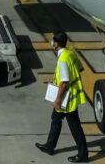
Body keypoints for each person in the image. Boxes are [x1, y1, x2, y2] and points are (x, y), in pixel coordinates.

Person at [36, 31, 89, 163]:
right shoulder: (71, 53)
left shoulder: (62, 60)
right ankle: (50, 146)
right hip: (70, 95)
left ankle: (83, 154)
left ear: (56, 44)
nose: (52, 43)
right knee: (55, 119)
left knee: (74, 126)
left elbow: (64, 82)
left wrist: (58, 100)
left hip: (66, 98)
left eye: (53, 41)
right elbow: (80, 68)